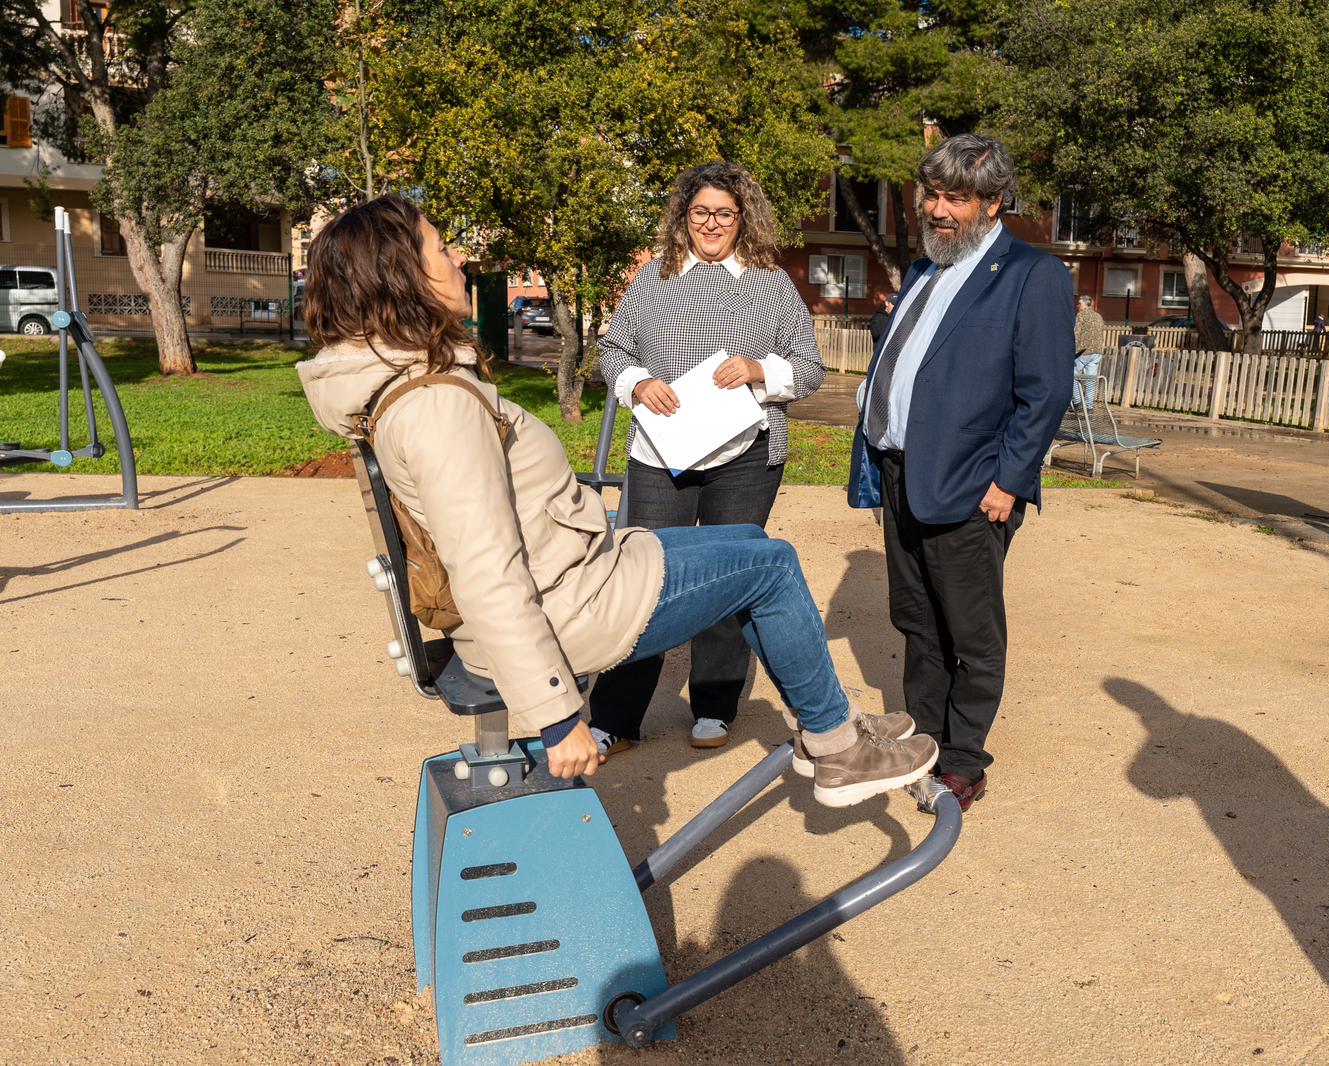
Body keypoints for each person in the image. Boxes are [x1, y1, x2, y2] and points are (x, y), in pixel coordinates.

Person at [297, 195, 935, 807]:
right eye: (439, 249)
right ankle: (837, 747)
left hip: (573, 573)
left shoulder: (414, 387)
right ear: (401, 278)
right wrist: (555, 715)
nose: (459, 256)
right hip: (570, 604)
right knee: (771, 566)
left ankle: (829, 721)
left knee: (751, 543)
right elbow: (485, 570)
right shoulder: (437, 407)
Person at [847, 134, 1075, 811]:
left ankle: (965, 761)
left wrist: (1010, 481)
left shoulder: (1032, 275)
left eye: (956, 198)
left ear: (994, 202)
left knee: (971, 633)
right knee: (917, 621)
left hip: (974, 486)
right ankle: (925, 741)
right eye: (933, 195)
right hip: (901, 474)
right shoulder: (925, 270)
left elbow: (1045, 393)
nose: (938, 209)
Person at [588, 162, 825, 756]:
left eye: (724, 213)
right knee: (639, 578)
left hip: (744, 456)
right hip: (661, 455)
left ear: (744, 218)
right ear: (683, 216)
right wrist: (638, 383)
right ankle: (615, 717)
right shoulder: (655, 277)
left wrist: (759, 370)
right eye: (701, 212)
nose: (712, 224)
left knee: (730, 574)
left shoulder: (771, 283)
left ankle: (715, 707)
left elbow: (810, 368)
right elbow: (614, 349)